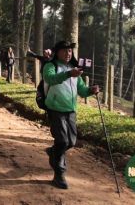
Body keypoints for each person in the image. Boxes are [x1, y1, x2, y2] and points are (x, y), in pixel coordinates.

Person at [43, 40, 99, 189]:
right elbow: (50, 79)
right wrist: (68, 74)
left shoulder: (75, 70)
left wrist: (91, 91)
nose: (68, 53)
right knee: (62, 141)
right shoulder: (50, 66)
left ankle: (53, 151)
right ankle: (59, 175)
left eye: (70, 51)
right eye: (65, 50)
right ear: (57, 52)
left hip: (71, 109)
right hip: (55, 108)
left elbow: (81, 90)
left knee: (71, 142)